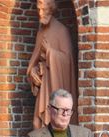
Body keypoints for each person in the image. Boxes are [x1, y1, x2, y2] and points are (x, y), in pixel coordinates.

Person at [27, 0, 78, 129]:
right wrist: (32, 71)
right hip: (44, 84)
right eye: (38, 9)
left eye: (43, 10)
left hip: (56, 83)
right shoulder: (41, 32)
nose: (40, 13)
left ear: (51, 9)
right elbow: (34, 59)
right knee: (37, 123)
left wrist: (50, 52)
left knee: (53, 121)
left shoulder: (62, 30)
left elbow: (68, 60)